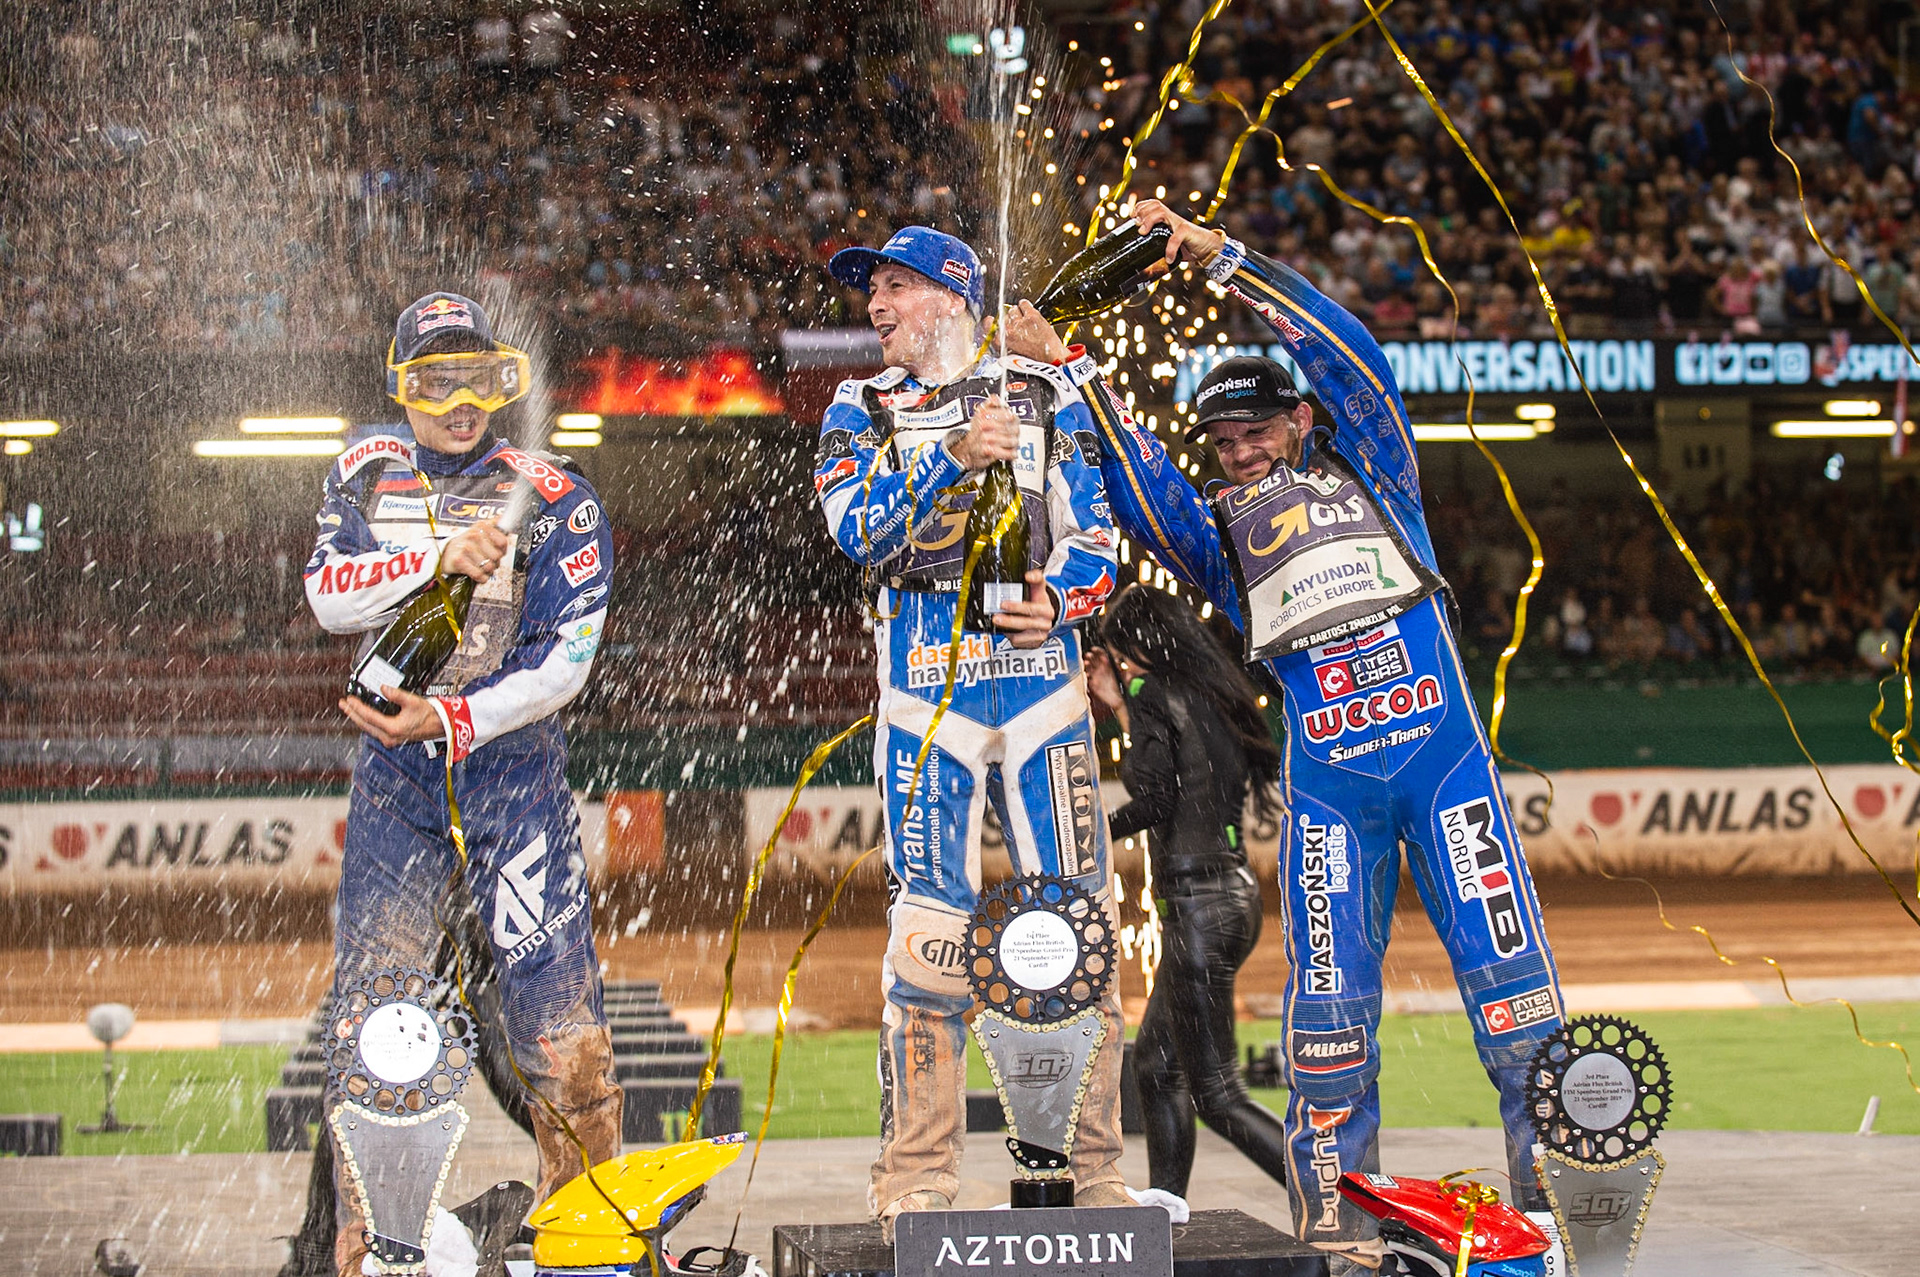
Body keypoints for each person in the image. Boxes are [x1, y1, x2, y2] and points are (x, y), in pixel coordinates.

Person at [1004, 202, 1565, 1270]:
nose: (1240, 451)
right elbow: (1148, 497)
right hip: (1332, 798)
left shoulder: (1378, 475)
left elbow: (1354, 358)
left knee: (1518, 1001)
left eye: (1258, 429)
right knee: (1325, 1027)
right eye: (1222, 441)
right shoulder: (1221, 539)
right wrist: (1073, 364)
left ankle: (1550, 1211)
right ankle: (1340, 1228)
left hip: (1449, 775)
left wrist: (1223, 259)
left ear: (1302, 423)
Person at [815, 226, 1126, 1233]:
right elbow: (858, 531)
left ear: (951, 296)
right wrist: (951, 456)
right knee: (929, 937)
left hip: (1042, 694)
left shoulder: (1042, 390)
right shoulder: (859, 406)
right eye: (873, 289)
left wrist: (1065, 600)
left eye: (896, 286)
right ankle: (917, 1177)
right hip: (924, 702)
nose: (876, 305)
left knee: (1077, 929)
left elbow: (1101, 538)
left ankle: (1089, 1170)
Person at [304, 292, 621, 1273]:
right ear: (402, 385)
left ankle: (588, 1234)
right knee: (380, 1013)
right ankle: (371, 1241)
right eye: (433, 377)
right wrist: (434, 556)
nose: (458, 397)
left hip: (513, 780)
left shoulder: (557, 491)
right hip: (396, 780)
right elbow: (325, 595)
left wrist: (454, 715)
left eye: (474, 374)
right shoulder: (365, 468)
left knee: (561, 1025)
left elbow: (568, 664)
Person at [1086, 584, 1290, 1198]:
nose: (1116, 660)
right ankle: (1166, 1212)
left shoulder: (1152, 694)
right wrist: (1121, 706)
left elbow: (1155, 797)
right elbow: (1179, 769)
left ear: (1135, 644)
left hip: (1198, 911)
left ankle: (1336, 1204)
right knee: (1155, 1067)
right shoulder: (1209, 693)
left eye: (1119, 649)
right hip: (1233, 900)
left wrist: (1087, 833)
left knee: (1218, 1094)